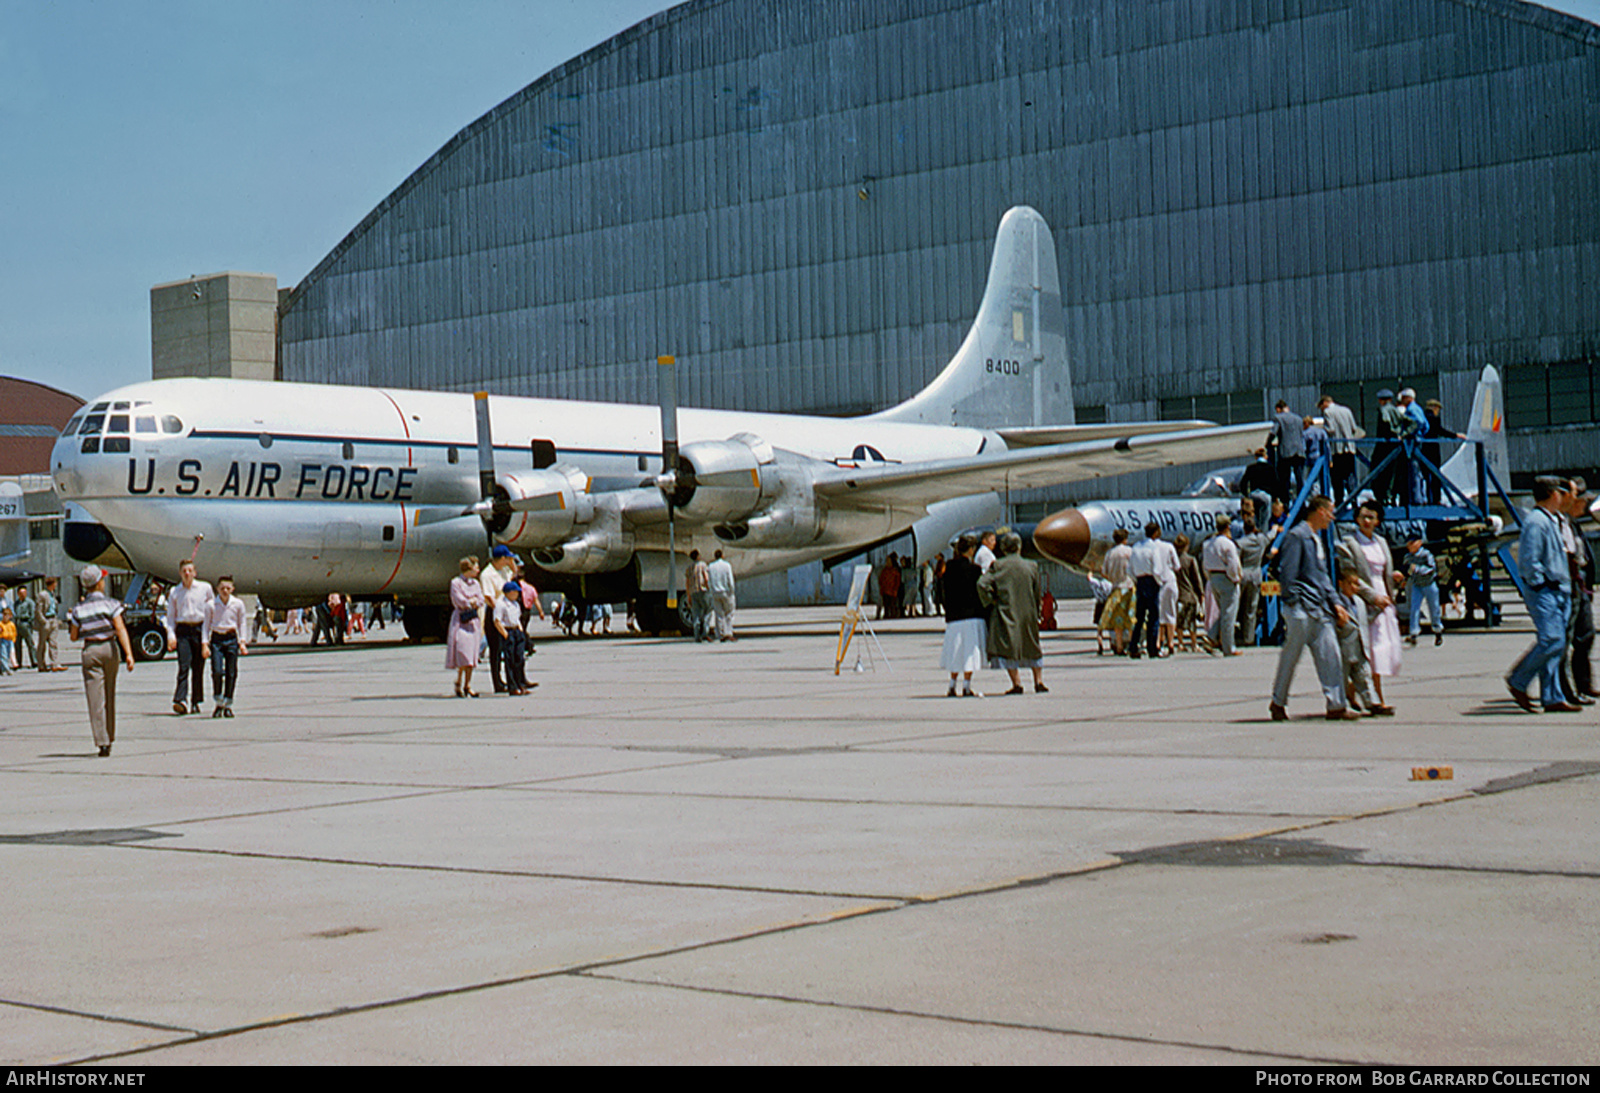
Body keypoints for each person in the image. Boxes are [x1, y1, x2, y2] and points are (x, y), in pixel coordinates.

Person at [1270, 496, 1359, 721]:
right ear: (1319, 511)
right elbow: (1287, 573)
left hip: (1319, 610)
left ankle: (1336, 705)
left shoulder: (1316, 539)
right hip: (1301, 609)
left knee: (1331, 655)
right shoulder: (1297, 536)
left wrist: (1336, 603)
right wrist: (1294, 602)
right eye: (1330, 511)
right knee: (1290, 658)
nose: (1332, 517)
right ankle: (1278, 702)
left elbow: (1322, 577)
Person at [1507, 477, 1580, 712]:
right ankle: (1518, 680)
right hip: (1546, 591)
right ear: (1552, 494)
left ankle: (1552, 696)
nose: (1563, 497)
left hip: (1560, 589)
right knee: (1552, 640)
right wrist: (1540, 584)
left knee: (1556, 644)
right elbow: (1529, 560)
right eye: (1560, 492)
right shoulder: (1536, 522)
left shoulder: (1552, 520)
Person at [1337, 500, 1401, 715]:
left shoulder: (1381, 542)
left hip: (1384, 597)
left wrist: (1393, 579)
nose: (1367, 521)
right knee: (1370, 652)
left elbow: (1383, 570)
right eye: (1363, 516)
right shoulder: (1349, 543)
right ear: (1356, 518)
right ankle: (1376, 700)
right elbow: (1352, 576)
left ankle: (1355, 691)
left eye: (1371, 517)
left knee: (1380, 651)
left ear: (1378, 520)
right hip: (1364, 600)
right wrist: (1373, 597)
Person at [69, 565, 136, 757]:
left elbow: (73, 636)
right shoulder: (111, 604)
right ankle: (110, 735)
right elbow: (120, 628)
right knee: (109, 694)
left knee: (94, 698)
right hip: (109, 648)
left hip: (90, 650)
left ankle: (102, 742)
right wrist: (129, 654)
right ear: (99, 583)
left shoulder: (79, 609)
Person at [978, 532, 1045, 694]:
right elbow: (1037, 592)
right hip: (1028, 611)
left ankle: (1017, 683)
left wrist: (991, 600)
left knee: (1009, 647)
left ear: (1003, 548)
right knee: (1032, 645)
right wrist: (1037, 610)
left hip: (1007, 609)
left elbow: (982, 584)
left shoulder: (998, 565)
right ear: (1019, 547)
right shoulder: (1032, 565)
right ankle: (1038, 682)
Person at [1563, 478, 1597, 704]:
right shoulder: (1561, 523)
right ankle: (1568, 692)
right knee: (1564, 641)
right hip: (1570, 586)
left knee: (1586, 635)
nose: (1584, 505)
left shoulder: (1573, 523)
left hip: (1581, 586)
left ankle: (1584, 683)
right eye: (1581, 499)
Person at [165, 559, 214, 715]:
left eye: (189, 570)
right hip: (183, 630)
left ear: (194, 573)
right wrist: (171, 636)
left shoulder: (205, 588)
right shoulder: (175, 592)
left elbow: (212, 611)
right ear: (180, 573)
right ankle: (180, 699)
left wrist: (209, 635)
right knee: (183, 665)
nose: (187, 573)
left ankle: (195, 701)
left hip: (200, 629)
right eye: (184, 571)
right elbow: (171, 617)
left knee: (198, 668)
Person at [939, 534, 986, 697]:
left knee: (955, 652)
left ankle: (952, 685)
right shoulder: (975, 570)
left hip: (953, 617)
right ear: (971, 550)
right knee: (969, 653)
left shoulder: (949, 568)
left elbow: (942, 592)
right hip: (971, 615)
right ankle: (966, 686)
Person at [1335, 564, 1385, 716]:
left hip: (1360, 647)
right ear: (1341, 584)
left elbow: (1363, 621)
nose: (1354, 587)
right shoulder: (1337, 604)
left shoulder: (1359, 602)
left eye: (1356, 583)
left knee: (1364, 678)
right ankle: (1340, 705)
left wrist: (1378, 609)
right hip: (1343, 649)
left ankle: (1373, 703)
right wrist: (1339, 626)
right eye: (1350, 583)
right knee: (1341, 680)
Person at [1128, 522, 1177, 659]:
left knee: (1140, 617)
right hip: (1151, 581)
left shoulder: (1136, 547)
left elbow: (1129, 569)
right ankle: (1152, 648)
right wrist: (1159, 582)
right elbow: (1157, 569)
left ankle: (1134, 646)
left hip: (1140, 581)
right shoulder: (1153, 548)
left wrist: (1136, 580)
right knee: (1154, 616)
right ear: (1155, 533)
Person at [207, 575, 248, 717]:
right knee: (217, 671)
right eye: (222, 588)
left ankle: (228, 703)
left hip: (231, 638)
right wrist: (204, 644)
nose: (225, 590)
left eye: (228, 588)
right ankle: (218, 701)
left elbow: (242, 623)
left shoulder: (238, 604)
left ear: (232, 589)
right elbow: (206, 625)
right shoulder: (211, 604)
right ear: (217, 589)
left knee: (232, 672)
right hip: (217, 639)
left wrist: (242, 642)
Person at [1202, 515, 1243, 656]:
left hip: (1213, 577)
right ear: (1227, 527)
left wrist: (1210, 577)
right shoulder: (1228, 544)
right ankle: (1228, 647)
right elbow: (1233, 565)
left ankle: (1212, 636)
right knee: (1229, 614)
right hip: (1226, 577)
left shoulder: (1208, 544)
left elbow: (1205, 564)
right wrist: (1235, 578)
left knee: (1224, 611)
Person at [447, 556, 485, 697]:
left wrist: (475, 601)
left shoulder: (475, 583)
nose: (478, 570)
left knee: (471, 655)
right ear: (468, 568)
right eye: (476, 567)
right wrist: (471, 601)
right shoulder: (456, 582)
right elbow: (458, 599)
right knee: (463, 653)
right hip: (461, 620)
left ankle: (467, 684)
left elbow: (481, 599)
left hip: (473, 620)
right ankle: (459, 680)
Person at [483, 545, 519, 693]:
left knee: (511, 648)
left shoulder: (503, 571)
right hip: (495, 613)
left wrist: (512, 563)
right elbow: (488, 596)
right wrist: (500, 611)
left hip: (507, 611)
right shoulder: (487, 574)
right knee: (496, 650)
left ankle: (516, 679)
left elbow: (514, 573)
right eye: (508, 558)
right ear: (502, 558)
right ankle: (497, 682)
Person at [1318, 394, 1363, 506]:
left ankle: (1339, 501)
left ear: (1325, 403)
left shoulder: (1328, 412)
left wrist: (1322, 429)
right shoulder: (1346, 410)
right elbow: (1354, 428)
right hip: (1350, 447)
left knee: (1337, 477)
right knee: (1351, 475)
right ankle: (1353, 500)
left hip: (1337, 449)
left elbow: (1331, 429)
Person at [1097, 528, 1135, 655]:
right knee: (1131, 618)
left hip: (1116, 587)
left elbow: (1104, 572)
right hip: (1129, 586)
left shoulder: (1110, 553)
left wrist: (1113, 578)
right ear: (1125, 539)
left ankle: (1119, 646)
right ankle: (1132, 645)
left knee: (1118, 619)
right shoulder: (1130, 551)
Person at [1401, 534, 1443, 647]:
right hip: (1416, 585)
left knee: (1434, 608)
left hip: (1429, 584)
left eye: (1412, 543)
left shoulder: (1426, 554)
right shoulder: (1408, 557)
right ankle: (1414, 633)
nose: (1410, 546)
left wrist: (1417, 569)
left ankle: (1437, 631)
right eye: (1408, 544)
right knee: (1414, 608)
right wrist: (1404, 579)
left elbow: (1431, 568)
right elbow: (1406, 570)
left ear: (1419, 543)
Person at [495, 579, 533, 695]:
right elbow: (497, 621)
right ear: (508, 592)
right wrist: (505, 635)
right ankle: (512, 686)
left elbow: (517, 619)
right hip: (508, 631)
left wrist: (520, 630)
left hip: (517, 630)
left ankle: (520, 684)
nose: (517, 594)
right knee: (510, 660)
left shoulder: (516, 604)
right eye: (515, 592)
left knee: (519, 659)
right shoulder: (501, 604)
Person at [1235, 518, 1267, 647]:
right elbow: (1270, 536)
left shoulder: (1240, 543)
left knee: (1236, 606)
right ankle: (1249, 638)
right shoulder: (1261, 540)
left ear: (1244, 529)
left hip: (1243, 574)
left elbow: (1235, 560)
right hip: (1256, 575)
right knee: (1251, 608)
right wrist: (1276, 529)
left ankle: (1231, 635)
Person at [1270, 400, 1306, 501]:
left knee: (1284, 479)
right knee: (1300, 478)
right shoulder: (1298, 418)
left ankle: (1285, 501)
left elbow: (1273, 433)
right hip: (1299, 451)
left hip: (1286, 452)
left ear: (1278, 409)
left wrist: (1267, 443)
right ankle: (1301, 501)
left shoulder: (1278, 418)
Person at [708, 548, 736, 641]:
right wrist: (732, 592)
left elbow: (710, 581)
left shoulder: (711, 566)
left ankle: (720, 634)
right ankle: (728, 632)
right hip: (725, 592)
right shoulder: (727, 565)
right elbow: (730, 580)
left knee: (719, 615)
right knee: (729, 613)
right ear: (722, 556)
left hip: (715, 593)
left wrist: (711, 592)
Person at [36, 577, 64, 672]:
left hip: (53, 619)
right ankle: (41, 664)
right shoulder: (42, 594)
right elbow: (38, 610)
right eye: (55, 583)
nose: (56, 585)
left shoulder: (52, 594)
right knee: (42, 644)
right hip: (46, 620)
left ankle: (55, 664)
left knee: (53, 643)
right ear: (52, 584)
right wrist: (43, 621)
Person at [686, 549, 712, 642]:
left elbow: (687, 582)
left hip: (693, 592)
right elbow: (706, 577)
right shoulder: (702, 565)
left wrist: (688, 595)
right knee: (707, 611)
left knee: (696, 614)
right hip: (702, 591)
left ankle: (697, 636)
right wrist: (709, 589)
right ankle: (705, 633)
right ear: (698, 556)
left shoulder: (689, 568)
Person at [12, 586, 34, 670]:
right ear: (18, 594)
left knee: (30, 644)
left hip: (26, 623)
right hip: (17, 624)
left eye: (24, 593)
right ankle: (18, 662)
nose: (22, 595)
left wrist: (29, 624)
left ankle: (34, 661)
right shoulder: (16, 603)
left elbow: (32, 614)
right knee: (17, 645)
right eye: (21, 593)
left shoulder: (29, 602)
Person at [0, 608, 14, 674]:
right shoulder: (1, 624)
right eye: (4, 615)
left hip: (10, 641)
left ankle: (2, 668)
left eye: (7, 615)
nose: (5, 617)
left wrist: (13, 640)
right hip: (3, 640)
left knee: (8, 655)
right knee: (3, 655)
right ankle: (7, 669)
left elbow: (14, 632)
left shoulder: (11, 624)